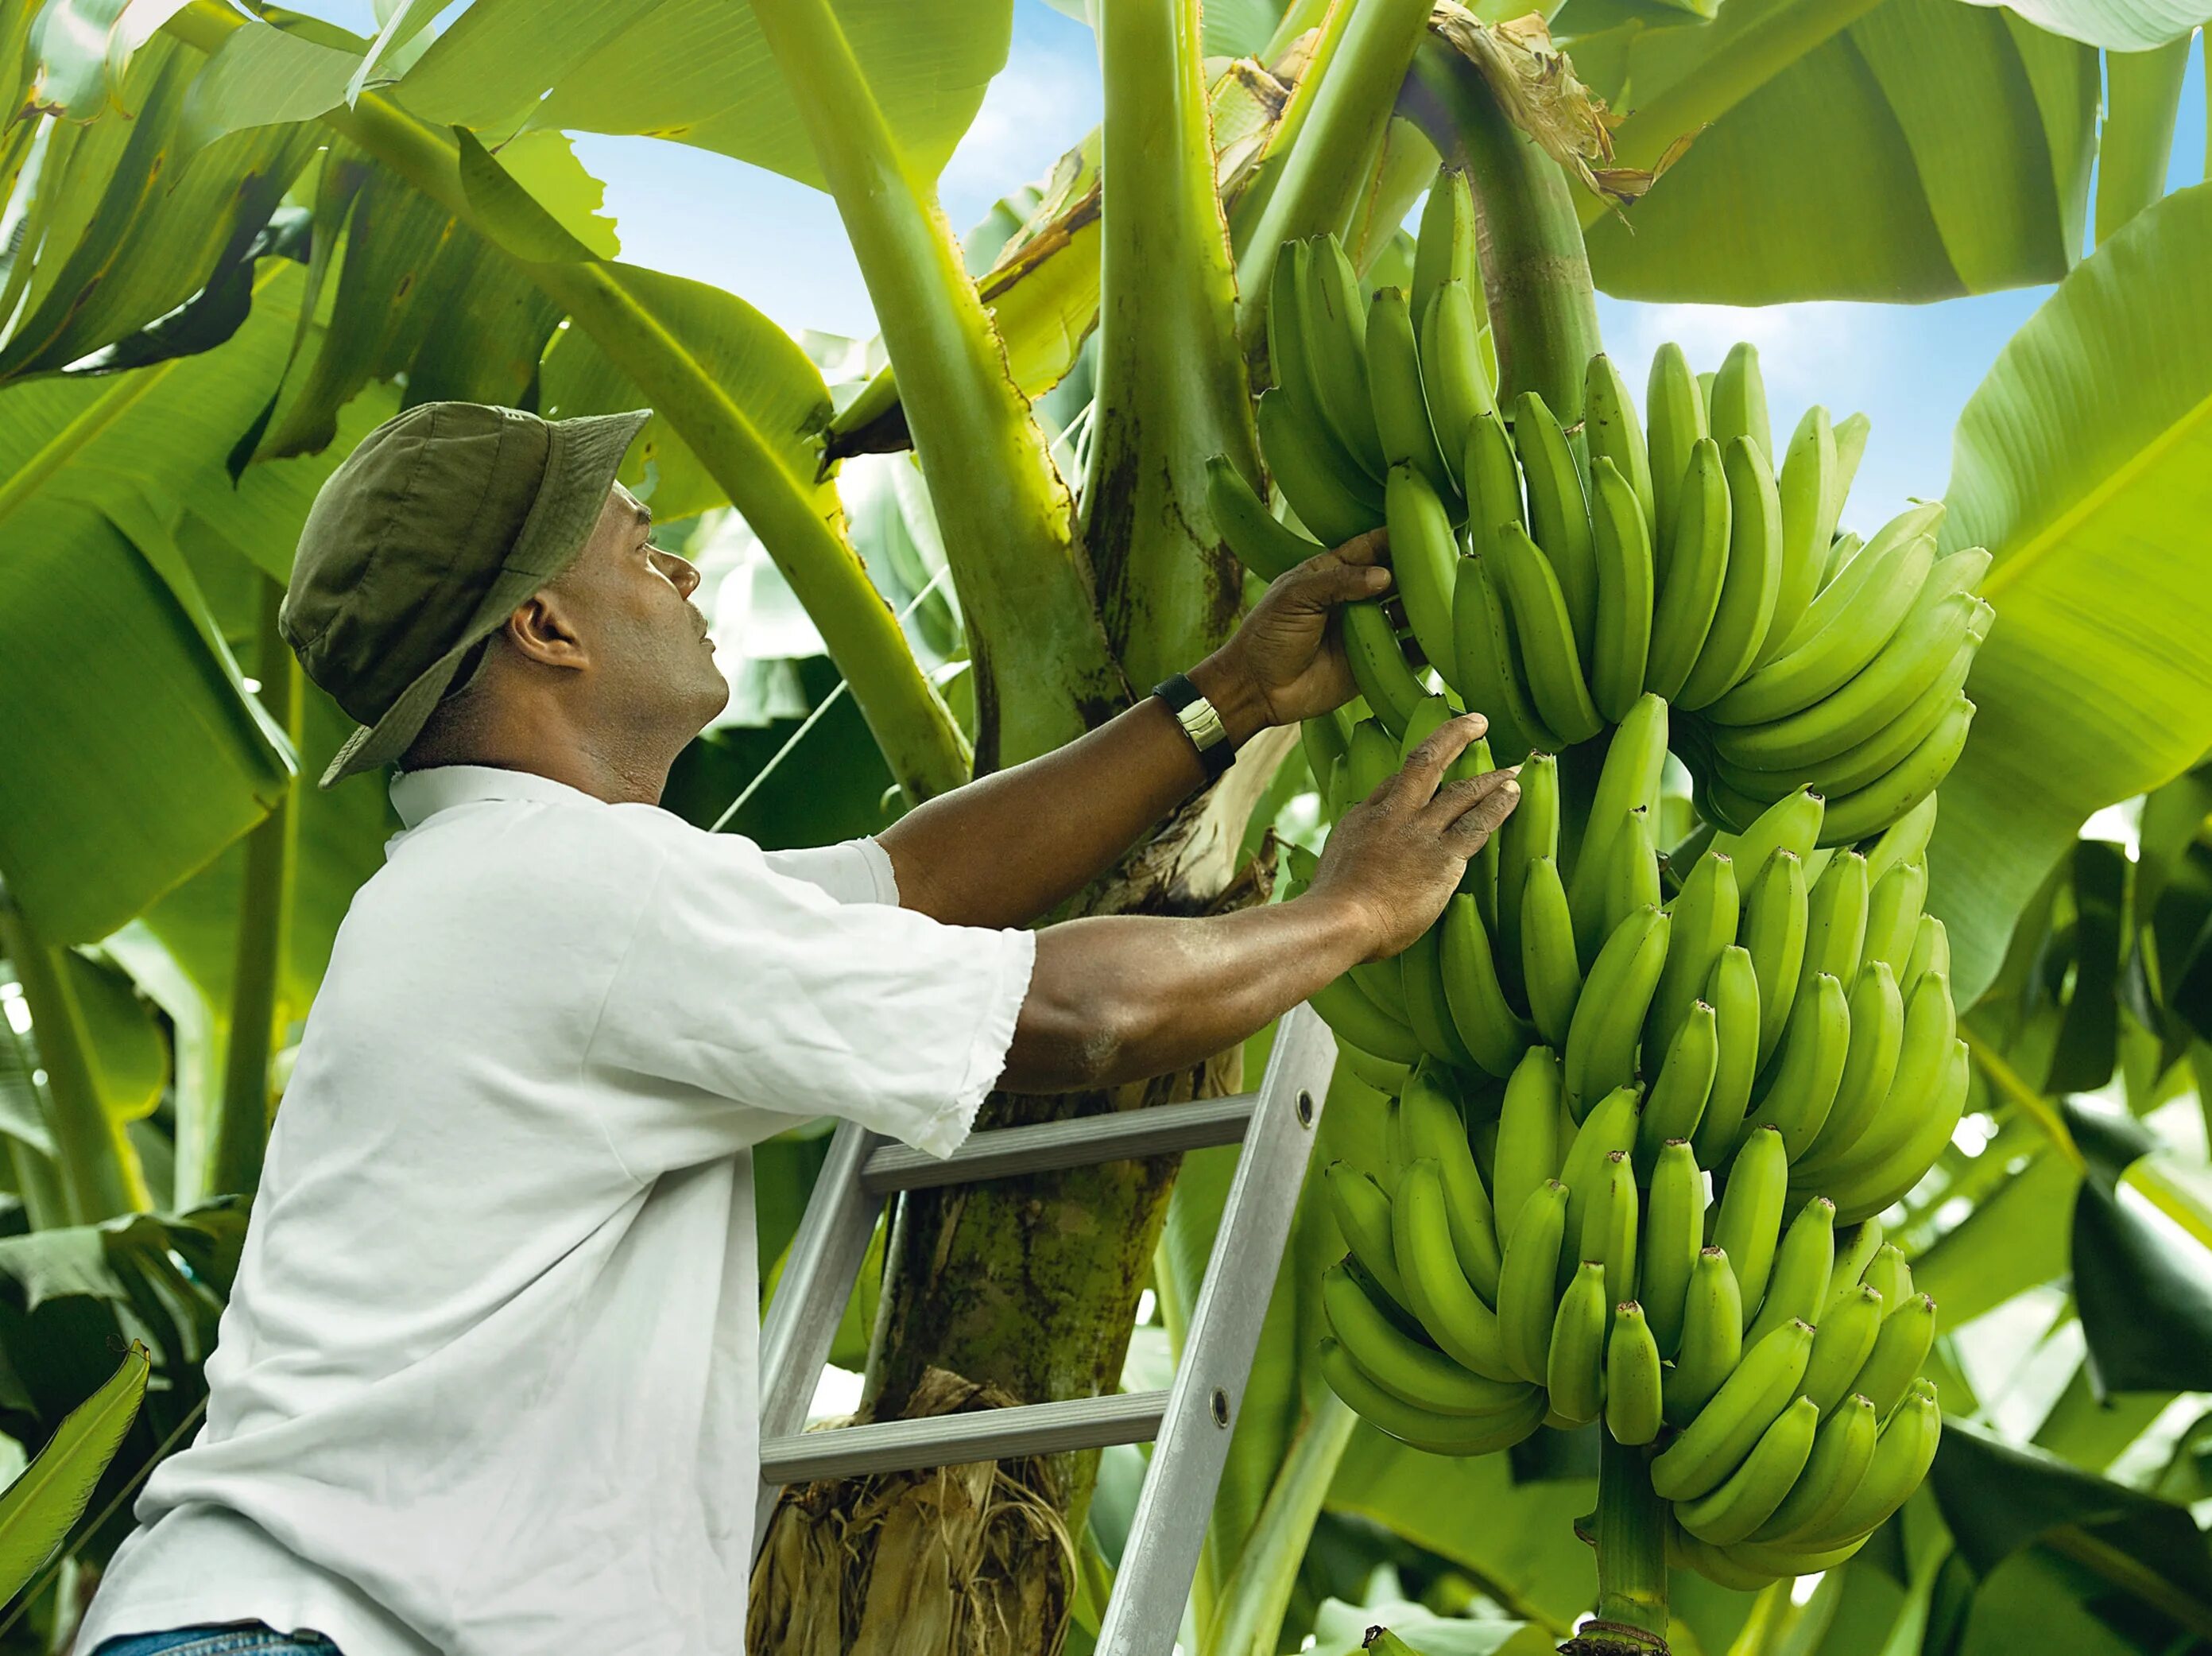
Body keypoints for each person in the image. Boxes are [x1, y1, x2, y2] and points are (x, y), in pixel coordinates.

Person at [75, 402, 1518, 1656]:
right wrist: (1352, 912)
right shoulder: (566, 890)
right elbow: (1072, 1015)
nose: (685, 570)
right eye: (639, 545)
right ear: (544, 629)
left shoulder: (513, 882)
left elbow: (913, 882)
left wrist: (1235, 695)